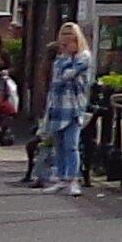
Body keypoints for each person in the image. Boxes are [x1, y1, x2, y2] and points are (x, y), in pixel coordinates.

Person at [37, 22, 96, 197]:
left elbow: (67, 75)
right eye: (63, 41)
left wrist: (66, 65)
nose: (66, 45)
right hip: (57, 105)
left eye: (70, 40)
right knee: (59, 144)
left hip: (74, 107)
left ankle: (73, 179)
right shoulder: (59, 60)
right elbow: (55, 82)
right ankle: (62, 177)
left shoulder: (83, 56)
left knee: (71, 144)